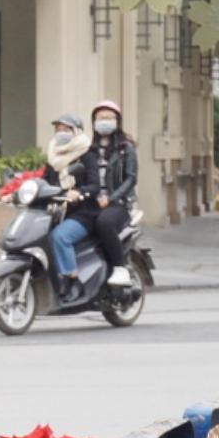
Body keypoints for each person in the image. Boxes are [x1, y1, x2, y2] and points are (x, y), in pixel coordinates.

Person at [48, 101, 138, 300]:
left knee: (103, 222)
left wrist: (112, 197)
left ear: (117, 121)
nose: (104, 122)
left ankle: (119, 268)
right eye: (100, 118)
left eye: (109, 118)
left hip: (117, 203)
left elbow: (131, 178)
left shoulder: (126, 148)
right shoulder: (88, 149)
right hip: (91, 202)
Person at [43, 114, 92, 303]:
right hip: (58, 210)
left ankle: (72, 280)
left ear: (76, 131)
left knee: (59, 236)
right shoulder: (53, 155)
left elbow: (95, 185)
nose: (61, 133)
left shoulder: (87, 154)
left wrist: (79, 192)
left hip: (83, 211)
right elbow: (45, 180)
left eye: (66, 129)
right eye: (58, 129)